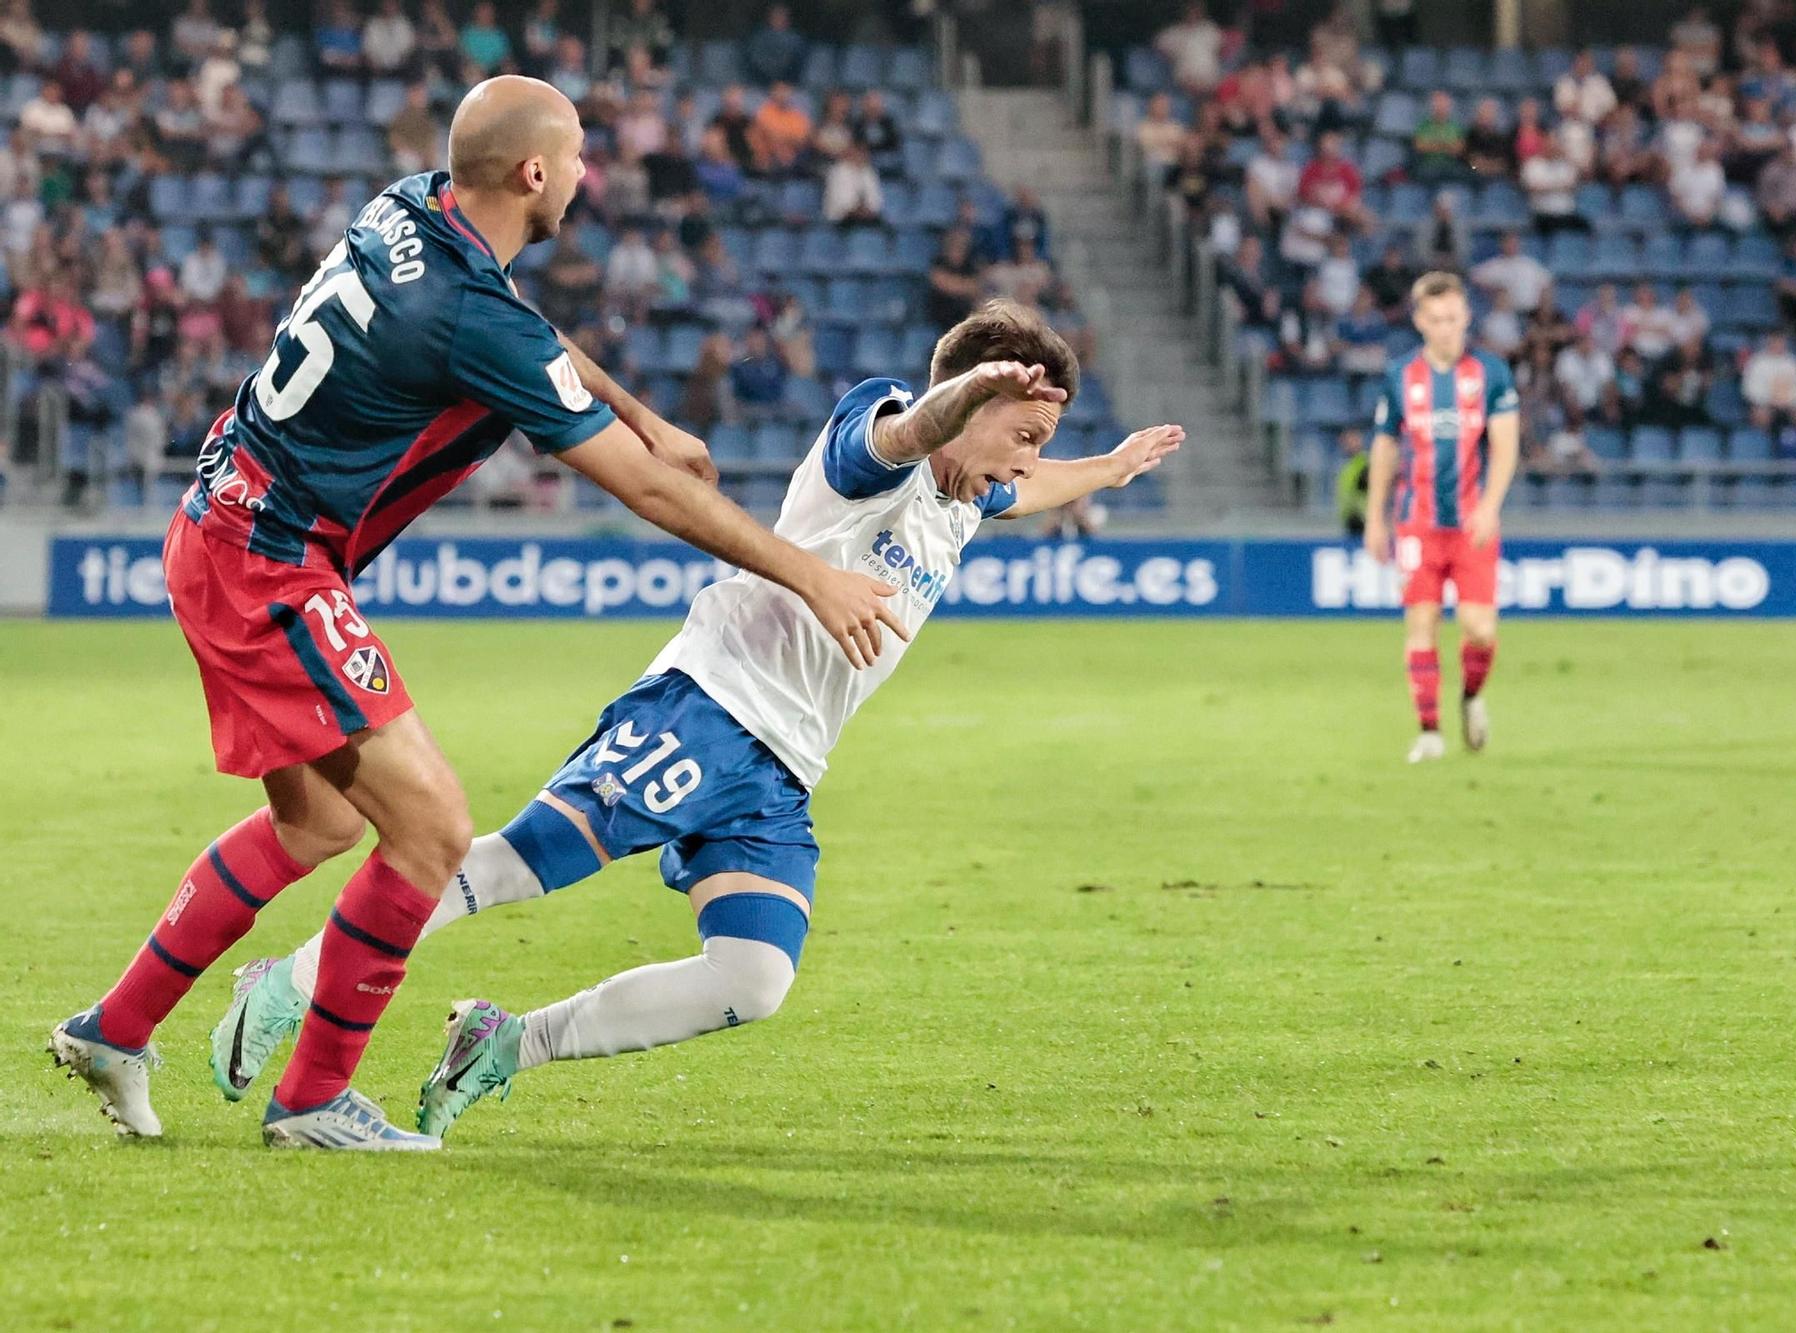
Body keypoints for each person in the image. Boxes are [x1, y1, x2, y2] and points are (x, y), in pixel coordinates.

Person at [47, 76, 902, 1152]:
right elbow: (638, 488)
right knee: (434, 828)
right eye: (581, 155)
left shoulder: (411, 205)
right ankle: (312, 1101)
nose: (590, 173)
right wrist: (807, 574)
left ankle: (114, 1029)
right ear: (535, 173)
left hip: (224, 522)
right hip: (271, 564)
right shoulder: (463, 313)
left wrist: (640, 413)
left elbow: (521, 327)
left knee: (319, 822)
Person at [209, 302, 1185, 1138]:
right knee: (514, 864)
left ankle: (508, 1039)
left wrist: (1106, 467)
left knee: (752, 976)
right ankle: (287, 982)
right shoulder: (879, 446)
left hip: (782, 767)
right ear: (968, 407)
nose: (1026, 461)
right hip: (707, 706)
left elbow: (1031, 485)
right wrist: (965, 399)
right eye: (1022, 434)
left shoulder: (968, 500)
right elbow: (905, 434)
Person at [1363, 272, 1519, 764]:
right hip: (1417, 524)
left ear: (1466, 317)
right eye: (1436, 320)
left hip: (1473, 525)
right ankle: (1429, 731)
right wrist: (1375, 519)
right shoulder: (1400, 376)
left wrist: (1491, 506)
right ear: (1419, 322)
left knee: (1480, 629)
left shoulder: (1491, 374)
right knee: (1421, 623)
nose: (1447, 328)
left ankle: (1471, 697)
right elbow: (1385, 448)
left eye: (1454, 318)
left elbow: (1506, 446)